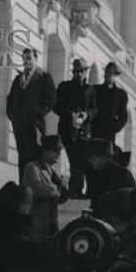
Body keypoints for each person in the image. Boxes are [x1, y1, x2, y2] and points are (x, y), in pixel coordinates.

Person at [6, 48, 56, 180]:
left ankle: (35, 185)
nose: (26, 61)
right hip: (19, 124)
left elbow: (51, 99)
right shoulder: (18, 79)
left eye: (29, 58)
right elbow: (10, 98)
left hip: (35, 125)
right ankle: (23, 186)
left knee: (35, 156)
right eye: (24, 59)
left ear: (36, 59)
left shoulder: (44, 77)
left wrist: (37, 113)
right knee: (22, 155)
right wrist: (12, 114)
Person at [55, 58, 97, 198]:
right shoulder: (64, 87)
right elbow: (56, 106)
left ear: (86, 72)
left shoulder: (90, 89)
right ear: (73, 72)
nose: (80, 74)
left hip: (84, 133)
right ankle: (75, 191)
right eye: (77, 71)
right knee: (73, 163)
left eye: (82, 71)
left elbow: (95, 108)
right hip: (68, 131)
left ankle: (78, 191)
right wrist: (70, 115)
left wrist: (86, 115)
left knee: (83, 163)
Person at [21, 134, 67, 242]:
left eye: (60, 150)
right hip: (35, 229)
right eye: (55, 150)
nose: (59, 154)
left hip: (51, 228)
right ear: (45, 151)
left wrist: (66, 191)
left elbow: (57, 199)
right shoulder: (32, 167)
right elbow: (36, 190)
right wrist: (57, 188)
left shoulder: (53, 172)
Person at [86, 138, 136, 205]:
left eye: (93, 157)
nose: (90, 161)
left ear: (103, 157)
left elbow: (99, 201)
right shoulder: (120, 172)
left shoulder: (112, 175)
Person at [91, 61, 130, 149]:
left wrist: (114, 128)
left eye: (111, 73)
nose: (107, 75)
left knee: (107, 155)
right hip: (94, 131)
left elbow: (123, 116)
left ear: (116, 75)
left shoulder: (121, 94)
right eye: (106, 72)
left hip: (109, 135)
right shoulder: (95, 90)